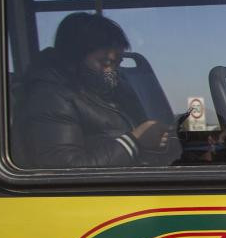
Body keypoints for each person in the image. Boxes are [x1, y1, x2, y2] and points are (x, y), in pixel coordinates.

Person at [14, 12, 171, 168]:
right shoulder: (49, 97)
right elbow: (63, 170)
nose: (113, 71)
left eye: (117, 63)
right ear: (74, 58)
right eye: (105, 62)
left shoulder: (111, 90)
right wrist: (133, 142)